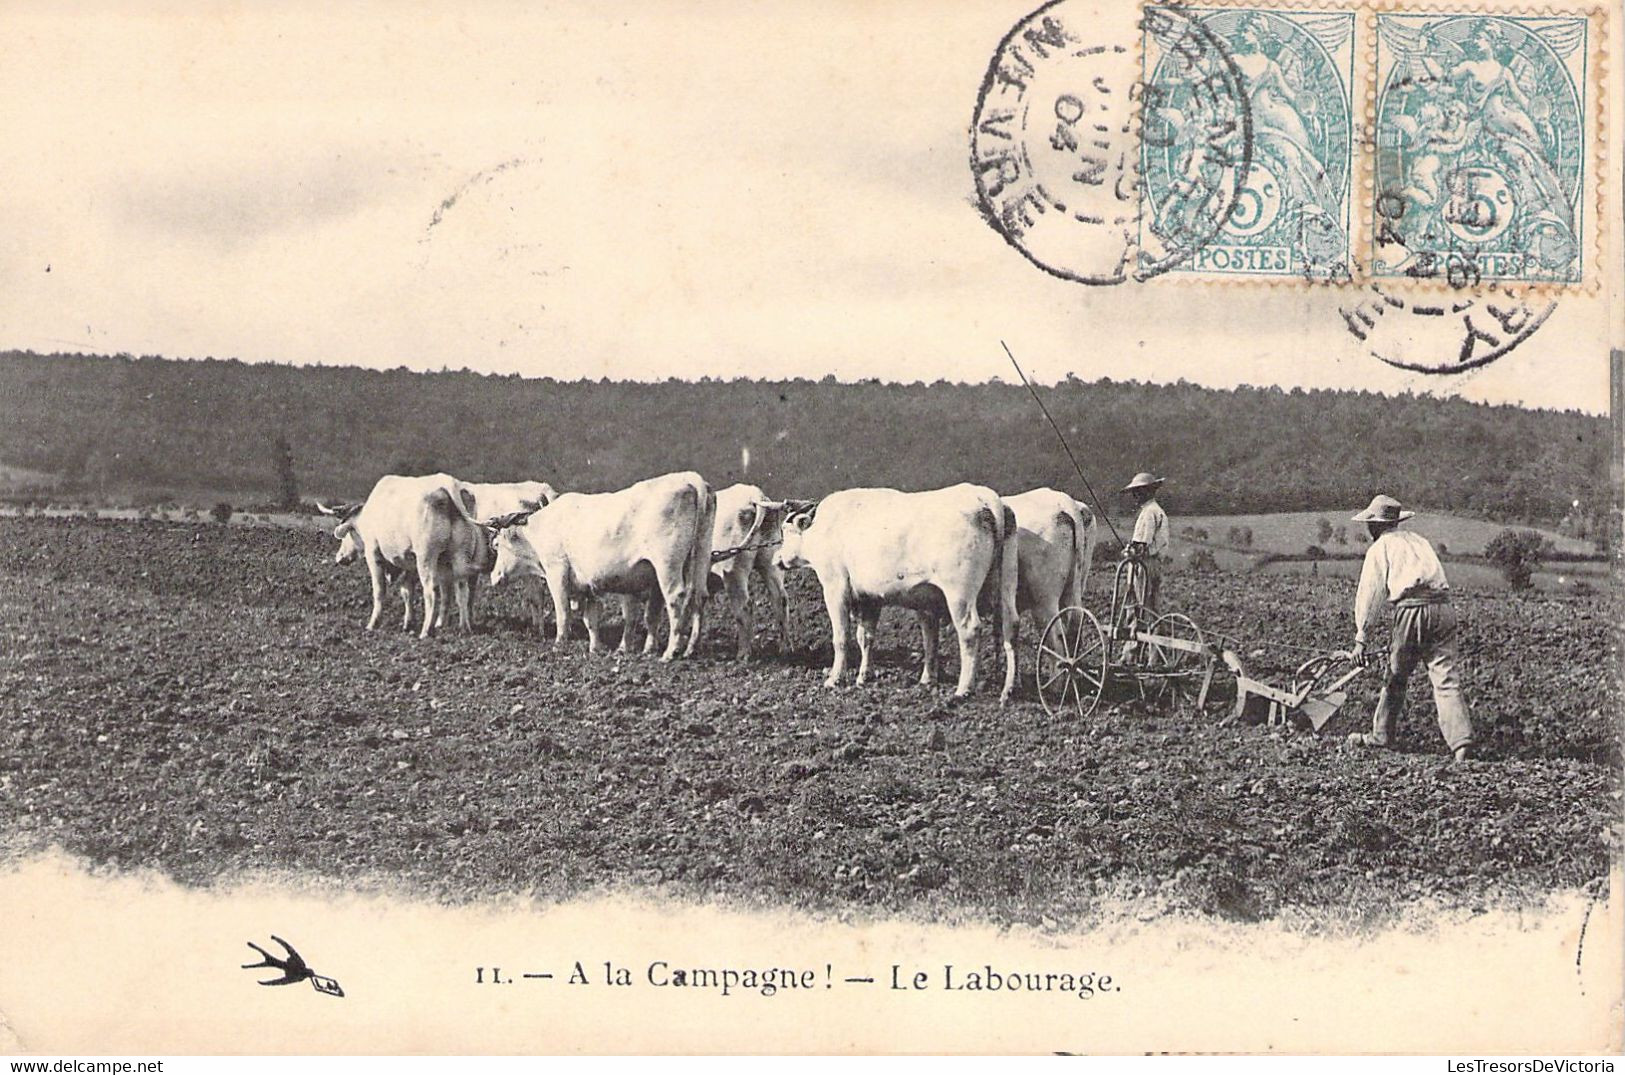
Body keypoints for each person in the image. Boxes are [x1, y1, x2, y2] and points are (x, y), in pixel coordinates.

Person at [1345, 495, 1474, 762]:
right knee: (1446, 678)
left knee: (1395, 675)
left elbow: (1370, 594)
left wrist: (1361, 637)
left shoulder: (1380, 549)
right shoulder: (1419, 541)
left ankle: (1381, 736)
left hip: (1413, 610)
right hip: (1444, 609)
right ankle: (1461, 743)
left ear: (1375, 526)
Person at [1122, 472, 1171, 613]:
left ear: (1148, 491)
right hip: (1154, 562)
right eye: (1134, 492)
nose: (1135, 496)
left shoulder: (1149, 513)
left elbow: (1143, 544)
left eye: (1138, 492)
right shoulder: (1157, 511)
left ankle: (1139, 627)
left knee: (1140, 600)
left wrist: (1129, 551)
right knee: (1152, 601)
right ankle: (1153, 626)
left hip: (1145, 563)